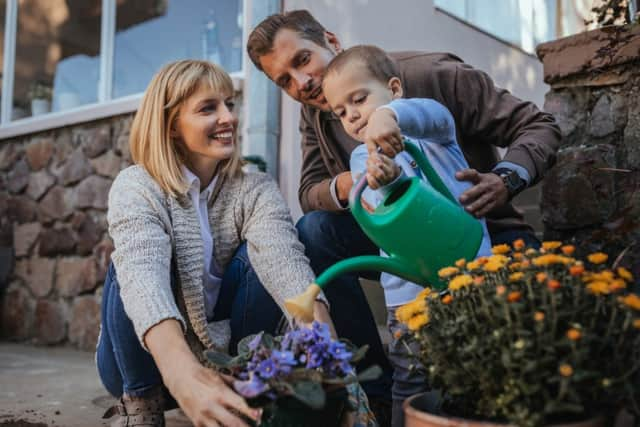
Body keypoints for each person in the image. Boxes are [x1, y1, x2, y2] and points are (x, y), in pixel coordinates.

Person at [247, 9, 560, 424]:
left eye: (302, 60)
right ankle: (372, 391)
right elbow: (309, 191)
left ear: (332, 41)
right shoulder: (320, 113)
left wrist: (504, 180)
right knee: (314, 230)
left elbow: (538, 125)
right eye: (283, 80)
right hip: (403, 248)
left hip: (482, 234)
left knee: (516, 353)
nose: (300, 83)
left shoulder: (430, 74)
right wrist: (358, 180)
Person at [96, 59, 336, 427]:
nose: (229, 118)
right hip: (149, 365)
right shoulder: (137, 186)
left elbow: (283, 262)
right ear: (172, 126)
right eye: (209, 108)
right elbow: (143, 280)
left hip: (226, 353)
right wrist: (182, 375)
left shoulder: (255, 188)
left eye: (230, 103)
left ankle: (245, 381)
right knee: (126, 265)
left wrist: (325, 347)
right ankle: (141, 404)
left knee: (260, 254)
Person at [321, 44, 494, 427]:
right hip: (407, 296)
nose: (352, 115)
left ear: (395, 89)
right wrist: (385, 181)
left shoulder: (434, 131)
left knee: (479, 368)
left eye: (359, 99)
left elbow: (430, 115)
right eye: (341, 111)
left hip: (473, 276)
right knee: (411, 380)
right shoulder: (361, 160)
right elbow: (380, 210)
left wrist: (388, 116)